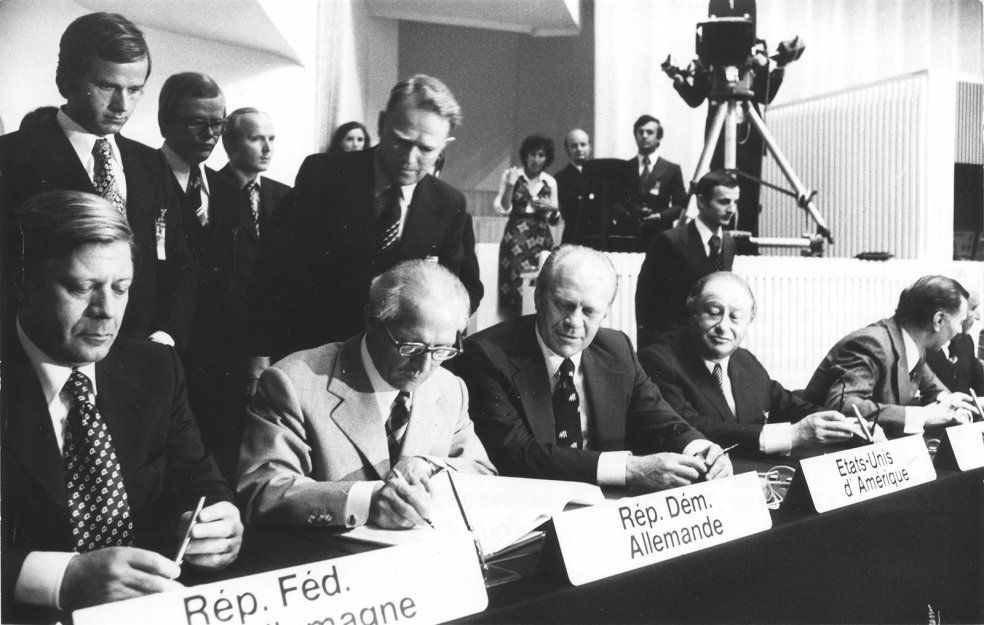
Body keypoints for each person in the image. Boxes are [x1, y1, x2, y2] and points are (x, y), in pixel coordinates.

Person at [1, 191, 242, 623]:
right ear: (24, 282)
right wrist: (62, 578)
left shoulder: (155, 368)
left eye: (121, 288)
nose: (107, 311)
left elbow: (202, 483)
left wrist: (219, 525)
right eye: (80, 288)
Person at [238, 260, 494, 529]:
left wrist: (429, 465)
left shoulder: (450, 388)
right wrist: (366, 502)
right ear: (372, 322)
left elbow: (482, 473)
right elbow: (263, 492)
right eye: (410, 347)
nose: (424, 367)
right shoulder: (293, 382)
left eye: (443, 350)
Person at [453, 245, 731, 490]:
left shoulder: (617, 349)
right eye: (563, 305)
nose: (574, 322)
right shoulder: (487, 355)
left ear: (606, 311)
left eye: (589, 312)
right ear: (539, 296)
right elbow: (517, 455)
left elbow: (660, 419)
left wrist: (702, 449)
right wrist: (629, 469)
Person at [252, 74, 483, 361]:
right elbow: (273, 268)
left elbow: (466, 289)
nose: (410, 159)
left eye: (426, 149)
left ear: (444, 145)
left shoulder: (449, 204)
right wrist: (259, 353)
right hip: (312, 352)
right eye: (401, 141)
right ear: (382, 122)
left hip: (399, 360)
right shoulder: (323, 175)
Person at [0, 12, 195, 349]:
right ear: (68, 81)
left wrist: (165, 335)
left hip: (141, 355)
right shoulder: (13, 157)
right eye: (107, 86)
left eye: (134, 90)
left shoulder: (151, 164)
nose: (122, 104)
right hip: (44, 354)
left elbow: (178, 260)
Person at [640, 272, 861, 456]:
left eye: (735, 317)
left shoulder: (745, 360)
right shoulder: (658, 361)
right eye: (714, 313)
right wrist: (792, 435)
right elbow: (688, 427)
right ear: (693, 312)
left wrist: (849, 424)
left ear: (749, 322)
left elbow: (788, 405)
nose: (723, 326)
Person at [158, 72, 253, 473]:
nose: (210, 134)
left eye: (218, 123)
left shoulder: (228, 188)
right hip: (165, 349)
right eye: (198, 122)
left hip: (220, 358)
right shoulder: (143, 176)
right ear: (166, 120)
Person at [802, 275, 976, 438]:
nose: (960, 331)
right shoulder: (872, 343)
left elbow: (935, 390)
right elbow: (842, 405)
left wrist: (953, 405)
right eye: (959, 322)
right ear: (938, 321)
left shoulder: (913, 343)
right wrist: (922, 416)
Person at [635, 169, 738, 347]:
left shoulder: (728, 245)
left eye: (735, 202)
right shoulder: (669, 242)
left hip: (712, 347)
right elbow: (647, 308)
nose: (732, 209)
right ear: (701, 202)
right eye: (724, 202)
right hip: (674, 351)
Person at [493, 134, 560, 318]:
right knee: (514, 283)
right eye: (533, 154)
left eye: (541, 155)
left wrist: (553, 209)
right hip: (516, 237)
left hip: (541, 237)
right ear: (525, 155)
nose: (536, 159)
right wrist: (509, 185)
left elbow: (553, 219)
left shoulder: (549, 182)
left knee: (541, 281)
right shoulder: (511, 175)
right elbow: (503, 208)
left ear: (547, 158)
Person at [625, 115, 687, 249]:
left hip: (660, 234)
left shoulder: (671, 169)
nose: (644, 136)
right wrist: (631, 215)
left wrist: (660, 216)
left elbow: (681, 205)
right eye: (640, 132)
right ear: (635, 135)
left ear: (658, 137)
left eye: (650, 132)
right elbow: (616, 202)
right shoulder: (625, 168)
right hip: (630, 234)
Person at [926, 290, 984, 398]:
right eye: (973, 308)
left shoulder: (965, 341)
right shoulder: (920, 349)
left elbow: (980, 380)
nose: (979, 317)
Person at [555, 128, 591, 244]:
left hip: (596, 238)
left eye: (583, 144)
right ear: (567, 150)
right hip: (574, 236)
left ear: (590, 147)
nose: (579, 149)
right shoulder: (560, 178)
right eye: (574, 146)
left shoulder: (600, 175)